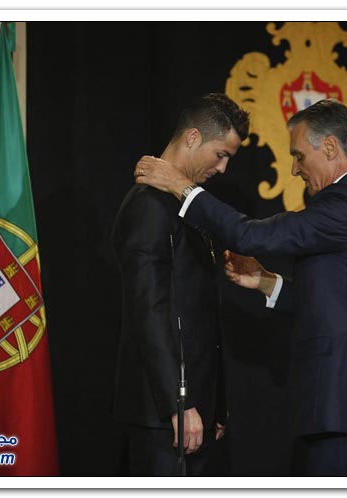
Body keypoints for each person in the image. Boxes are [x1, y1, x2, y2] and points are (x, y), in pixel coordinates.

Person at [134, 98, 347, 476]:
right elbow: (337, 299)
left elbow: (250, 236)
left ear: (329, 147)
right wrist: (266, 282)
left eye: (299, 156)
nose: (295, 169)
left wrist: (179, 185)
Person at [111, 93, 250, 476]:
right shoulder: (148, 205)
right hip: (165, 414)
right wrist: (179, 403)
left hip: (191, 410)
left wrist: (213, 403)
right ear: (192, 137)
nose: (223, 168)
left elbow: (198, 313)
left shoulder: (181, 204)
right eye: (220, 155)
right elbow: (150, 310)